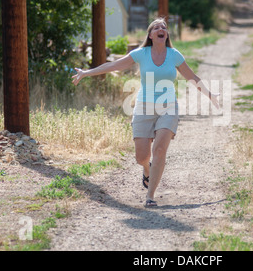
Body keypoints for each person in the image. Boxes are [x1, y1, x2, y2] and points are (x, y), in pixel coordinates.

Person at [72, 17, 220, 207]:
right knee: (141, 157)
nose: (161, 29)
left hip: (168, 107)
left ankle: (150, 196)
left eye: (164, 28)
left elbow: (192, 77)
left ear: (166, 35)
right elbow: (112, 66)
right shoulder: (141, 53)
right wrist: (86, 73)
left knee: (159, 150)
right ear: (150, 35)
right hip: (143, 107)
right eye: (157, 27)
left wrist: (210, 95)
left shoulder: (174, 55)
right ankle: (146, 169)